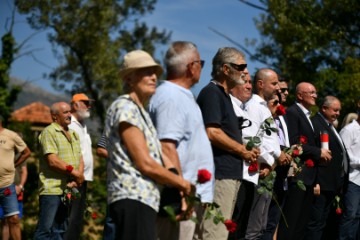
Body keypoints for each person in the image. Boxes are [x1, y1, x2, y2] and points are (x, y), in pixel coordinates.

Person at [103, 49, 193, 240]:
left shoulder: (141, 113)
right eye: (146, 72)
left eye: (155, 73)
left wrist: (180, 193)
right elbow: (144, 162)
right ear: (129, 79)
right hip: (131, 196)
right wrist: (182, 184)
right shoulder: (125, 106)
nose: (153, 77)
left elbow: (160, 158)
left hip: (146, 199)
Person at [148, 41, 214, 240]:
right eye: (201, 62)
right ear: (191, 66)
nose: (202, 67)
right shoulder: (170, 97)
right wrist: (182, 194)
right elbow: (166, 146)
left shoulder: (181, 96)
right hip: (179, 197)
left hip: (190, 194)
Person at [197, 47, 260, 240]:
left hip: (228, 175)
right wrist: (243, 151)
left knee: (220, 233)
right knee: (213, 233)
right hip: (219, 175)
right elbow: (212, 132)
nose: (244, 71)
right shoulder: (212, 93)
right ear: (225, 69)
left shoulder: (223, 96)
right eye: (240, 66)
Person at [277, 82, 332, 240]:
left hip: (309, 177)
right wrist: (318, 152)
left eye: (316, 92)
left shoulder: (308, 116)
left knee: (301, 225)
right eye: (311, 92)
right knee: (291, 223)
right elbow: (294, 144)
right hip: (297, 175)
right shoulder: (293, 113)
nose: (315, 95)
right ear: (300, 95)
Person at [241, 69, 290, 240]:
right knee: (253, 228)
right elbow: (252, 140)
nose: (278, 88)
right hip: (257, 171)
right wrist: (274, 156)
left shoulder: (263, 107)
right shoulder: (254, 106)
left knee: (262, 225)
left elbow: (269, 139)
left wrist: (273, 160)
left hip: (266, 168)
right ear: (260, 84)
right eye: (274, 83)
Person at [33, 102, 85, 239]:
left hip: (68, 188)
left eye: (70, 112)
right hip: (52, 189)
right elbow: (53, 161)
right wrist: (74, 173)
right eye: (65, 112)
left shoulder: (74, 134)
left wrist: (78, 176)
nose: (70, 115)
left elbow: (80, 158)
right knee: (45, 230)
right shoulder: (49, 132)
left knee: (60, 229)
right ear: (55, 116)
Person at [304, 96, 348, 239]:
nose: (337, 114)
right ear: (324, 108)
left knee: (322, 222)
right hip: (321, 183)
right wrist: (316, 181)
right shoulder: (315, 124)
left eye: (339, 111)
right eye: (335, 110)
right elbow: (312, 153)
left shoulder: (330, 126)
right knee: (315, 222)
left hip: (331, 184)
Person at [64, 93, 94, 240]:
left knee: (77, 219)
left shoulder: (83, 125)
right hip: (74, 178)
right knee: (71, 217)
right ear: (75, 105)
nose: (89, 106)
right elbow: (68, 152)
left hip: (82, 178)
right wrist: (74, 175)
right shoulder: (70, 124)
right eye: (86, 103)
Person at [0, 116, 31, 240]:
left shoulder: (11, 136)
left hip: (7, 184)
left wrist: (15, 164)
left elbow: (27, 152)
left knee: (13, 219)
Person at [338, 98, 360, 240]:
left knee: (357, 216)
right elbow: (344, 157)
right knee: (350, 215)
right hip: (352, 180)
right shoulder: (349, 130)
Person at [96, 134, 116, 240]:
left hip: (135, 187)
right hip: (115, 183)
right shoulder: (111, 127)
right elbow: (100, 150)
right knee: (112, 221)